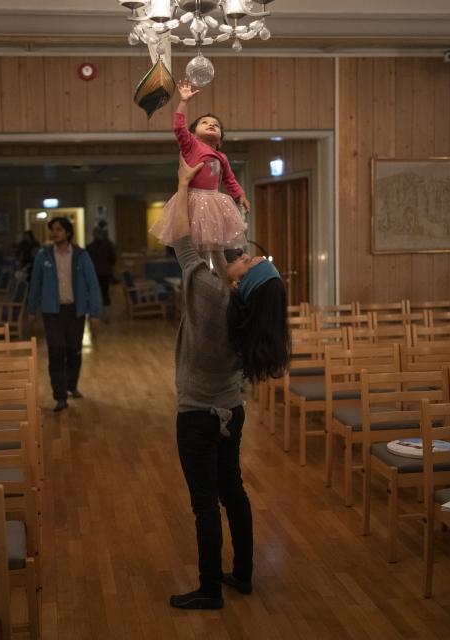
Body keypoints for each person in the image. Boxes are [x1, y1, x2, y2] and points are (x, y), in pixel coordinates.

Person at [168, 155, 289, 610]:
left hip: (197, 414)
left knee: (204, 503)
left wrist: (184, 186)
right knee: (231, 490)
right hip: (230, 412)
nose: (246, 256)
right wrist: (228, 205)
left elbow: (185, 245)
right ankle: (241, 573)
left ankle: (209, 588)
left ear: (242, 282)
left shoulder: (212, 296)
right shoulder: (252, 320)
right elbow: (219, 252)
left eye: (250, 261)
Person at [149, 79, 251, 252]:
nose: (211, 124)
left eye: (216, 125)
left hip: (214, 200)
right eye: (205, 123)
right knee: (194, 243)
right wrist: (184, 102)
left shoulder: (222, 157)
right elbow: (179, 128)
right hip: (193, 200)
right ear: (193, 134)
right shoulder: (191, 146)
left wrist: (240, 195)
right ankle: (199, 272)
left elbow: (229, 179)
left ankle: (223, 274)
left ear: (221, 140)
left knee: (216, 244)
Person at [27, 217, 102, 412]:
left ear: (67, 232)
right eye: (52, 230)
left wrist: (94, 313)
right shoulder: (43, 255)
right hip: (52, 312)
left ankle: (71, 385)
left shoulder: (81, 255)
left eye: (58, 230)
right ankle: (60, 396)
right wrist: (31, 309)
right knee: (56, 350)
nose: (54, 233)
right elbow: (35, 283)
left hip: (75, 311)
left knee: (73, 350)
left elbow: (92, 284)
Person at [86, 225, 117, 316]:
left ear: (93, 235)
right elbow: (113, 259)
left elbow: (86, 262)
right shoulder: (108, 246)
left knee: (93, 293)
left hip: (93, 273)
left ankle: (94, 313)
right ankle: (106, 314)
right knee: (105, 293)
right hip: (106, 273)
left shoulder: (89, 247)